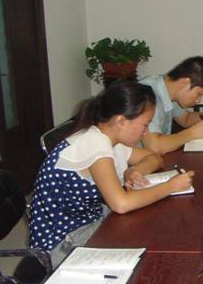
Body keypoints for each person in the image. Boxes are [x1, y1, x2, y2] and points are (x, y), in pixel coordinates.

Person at [28, 81, 193, 267]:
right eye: (145, 125)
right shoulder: (95, 144)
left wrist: (134, 170)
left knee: (150, 227)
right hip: (61, 242)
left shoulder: (110, 137)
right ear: (121, 121)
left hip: (90, 220)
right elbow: (121, 204)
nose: (146, 132)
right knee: (147, 246)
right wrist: (170, 187)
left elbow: (154, 158)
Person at [140, 56, 203, 154]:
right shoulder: (146, 94)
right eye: (199, 93)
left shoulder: (170, 90)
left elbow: (186, 118)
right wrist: (191, 133)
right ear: (185, 83)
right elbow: (155, 147)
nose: (199, 101)